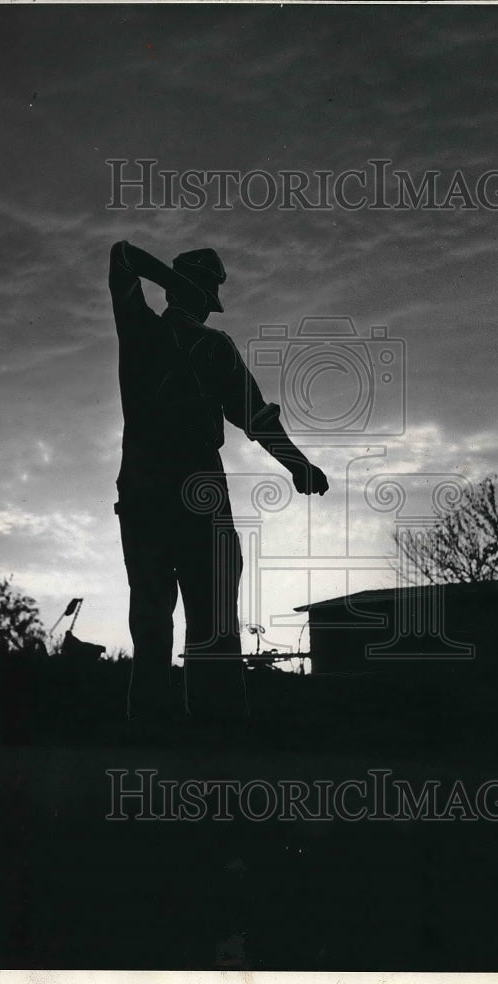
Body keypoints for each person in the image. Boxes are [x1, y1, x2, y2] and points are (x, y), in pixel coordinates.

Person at [108, 239, 328, 724]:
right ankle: (210, 725)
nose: (207, 309)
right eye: (205, 296)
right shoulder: (187, 341)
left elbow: (253, 414)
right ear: (199, 296)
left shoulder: (151, 333)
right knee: (204, 619)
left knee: (160, 618)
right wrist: (297, 464)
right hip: (190, 489)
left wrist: (297, 463)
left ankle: (164, 727)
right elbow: (257, 415)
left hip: (153, 490)